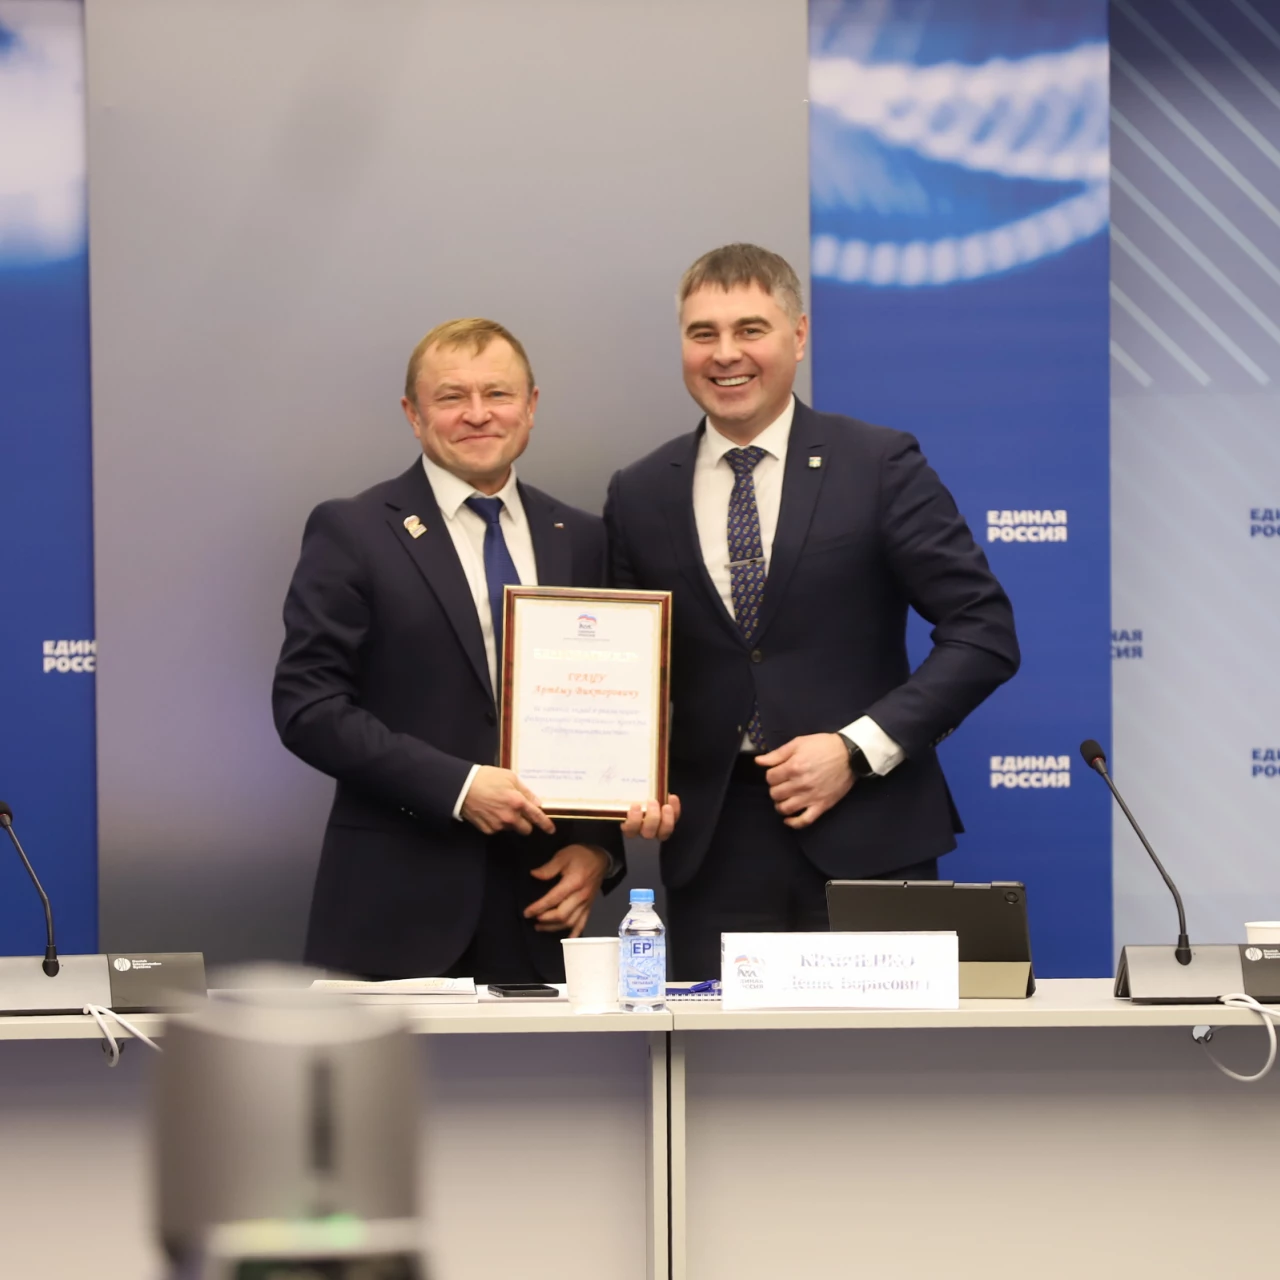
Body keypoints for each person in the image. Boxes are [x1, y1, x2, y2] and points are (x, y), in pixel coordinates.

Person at [604, 244, 1020, 979]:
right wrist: (623, 781)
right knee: (719, 1056)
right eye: (703, 333)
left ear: (798, 336)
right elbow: (624, 678)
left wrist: (855, 749)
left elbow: (983, 632)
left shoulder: (879, 464)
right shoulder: (639, 492)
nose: (725, 354)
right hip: (713, 853)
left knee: (877, 1056)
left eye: (750, 329)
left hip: (872, 833)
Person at [274, 318, 644, 982]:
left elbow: (604, 710)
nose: (478, 414)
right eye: (451, 397)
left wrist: (595, 847)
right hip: (393, 909)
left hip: (538, 911)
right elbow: (308, 708)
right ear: (413, 414)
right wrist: (460, 786)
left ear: (530, 406)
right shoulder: (353, 530)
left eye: (498, 393)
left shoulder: (582, 537)